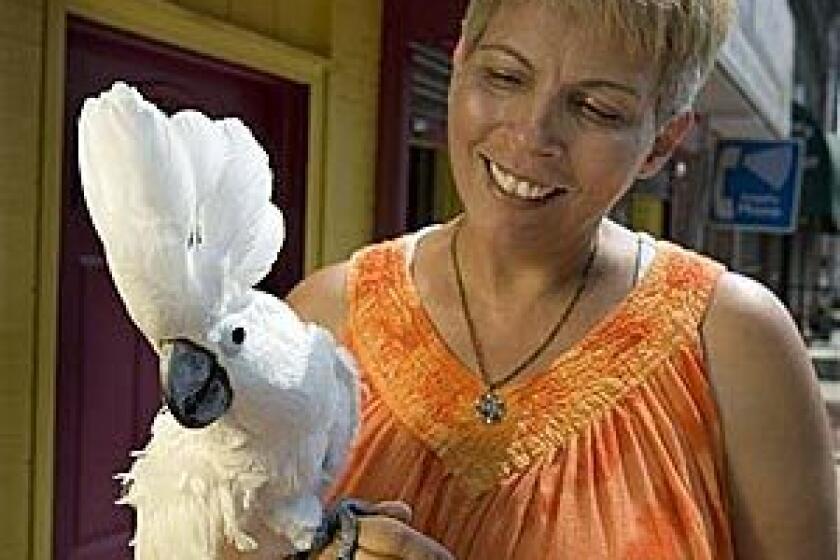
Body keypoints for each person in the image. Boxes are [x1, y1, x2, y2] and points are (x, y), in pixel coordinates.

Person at [287, 0, 838, 558]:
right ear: (460, 61)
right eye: (504, 76)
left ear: (663, 140)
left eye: (597, 109)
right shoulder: (322, 321)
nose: (532, 135)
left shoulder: (736, 346)